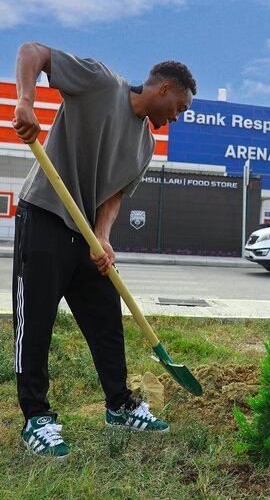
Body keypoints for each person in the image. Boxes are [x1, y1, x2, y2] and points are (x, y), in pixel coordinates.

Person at [12, 42, 196, 458]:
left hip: (86, 237)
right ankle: (36, 417)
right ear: (164, 88)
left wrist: (104, 236)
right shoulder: (100, 82)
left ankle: (120, 405)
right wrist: (26, 100)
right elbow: (33, 52)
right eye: (179, 107)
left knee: (106, 324)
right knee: (36, 323)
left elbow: (113, 197)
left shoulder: (145, 145)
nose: (177, 117)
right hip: (45, 213)